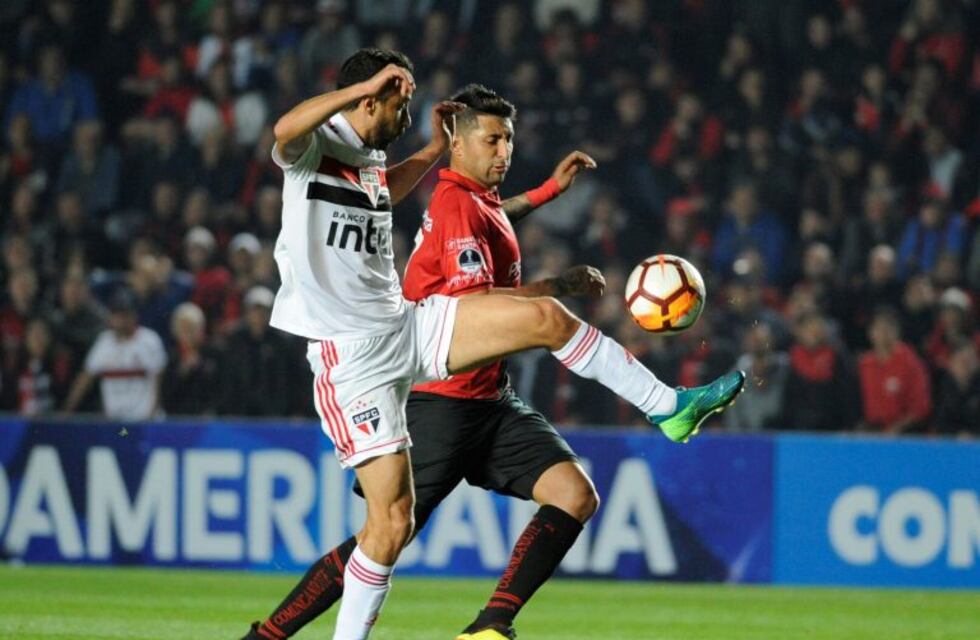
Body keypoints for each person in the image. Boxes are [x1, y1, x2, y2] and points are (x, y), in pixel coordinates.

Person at [251, 48, 744, 640]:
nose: (410, 117)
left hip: (406, 327)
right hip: (352, 356)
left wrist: (433, 155)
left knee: (547, 318)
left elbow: (384, 189)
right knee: (388, 527)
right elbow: (280, 131)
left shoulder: (372, 160)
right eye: (401, 104)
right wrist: (369, 89)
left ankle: (667, 407)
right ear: (369, 99)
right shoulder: (313, 148)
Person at [63, 288, 167, 421]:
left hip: (145, 420)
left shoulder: (149, 340)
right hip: (116, 422)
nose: (121, 320)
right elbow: (85, 378)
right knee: (119, 436)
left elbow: (158, 383)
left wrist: (149, 419)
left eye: (125, 315)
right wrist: (66, 412)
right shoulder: (104, 342)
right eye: (117, 315)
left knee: (129, 437)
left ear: (134, 315)